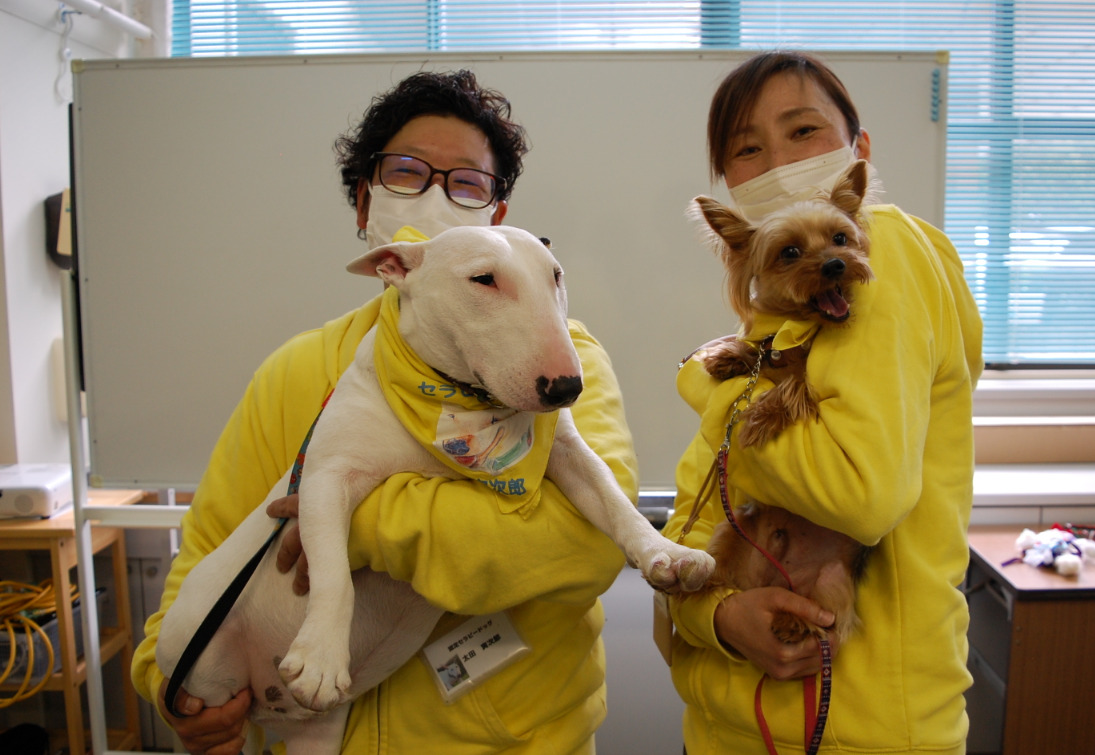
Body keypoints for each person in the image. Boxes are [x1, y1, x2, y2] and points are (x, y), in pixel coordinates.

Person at [131, 69, 637, 755]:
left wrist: (359, 521)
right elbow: (210, 547)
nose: (434, 196)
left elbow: (586, 546)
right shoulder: (296, 369)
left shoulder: (563, 367)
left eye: (467, 182)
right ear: (364, 200)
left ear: (497, 220)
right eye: (407, 172)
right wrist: (175, 690)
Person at [662, 51, 983, 754]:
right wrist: (717, 618)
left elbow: (860, 496)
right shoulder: (769, 329)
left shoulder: (886, 242)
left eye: (803, 132)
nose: (777, 161)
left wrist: (707, 386)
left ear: (857, 149)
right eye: (748, 149)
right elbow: (688, 540)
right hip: (726, 728)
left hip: (856, 732)